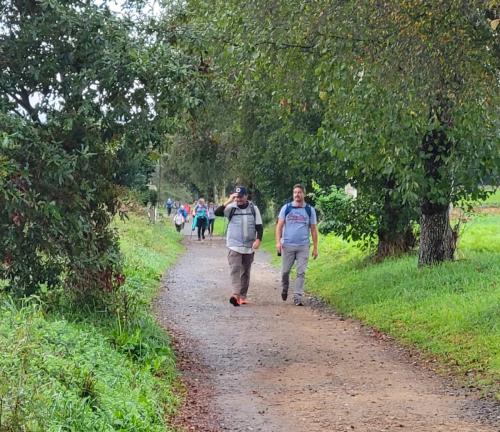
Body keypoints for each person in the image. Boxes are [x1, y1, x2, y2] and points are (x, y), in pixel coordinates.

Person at [215, 186, 263, 306]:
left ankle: (242, 296)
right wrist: (229, 200)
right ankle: (235, 295)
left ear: (246, 196)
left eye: (240, 197)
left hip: (248, 246)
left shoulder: (253, 209)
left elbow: (259, 226)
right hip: (234, 245)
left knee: (245, 271)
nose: (238, 199)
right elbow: (217, 213)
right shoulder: (231, 208)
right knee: (235, 269)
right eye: (236, 197)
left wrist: (258, 240)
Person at [275, 183, 318, 306]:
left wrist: (315, 247)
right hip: (287, 245)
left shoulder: (309, 210)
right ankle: (285, 288)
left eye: (299, 192)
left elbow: (314, 229)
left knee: (301, 272)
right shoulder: (286, 208)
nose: (297, 195)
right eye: (295, 192)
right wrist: (278, 242)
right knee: (285, 272)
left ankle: (297, 296)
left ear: (303, 194)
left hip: (303, 246)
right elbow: (279, 226)